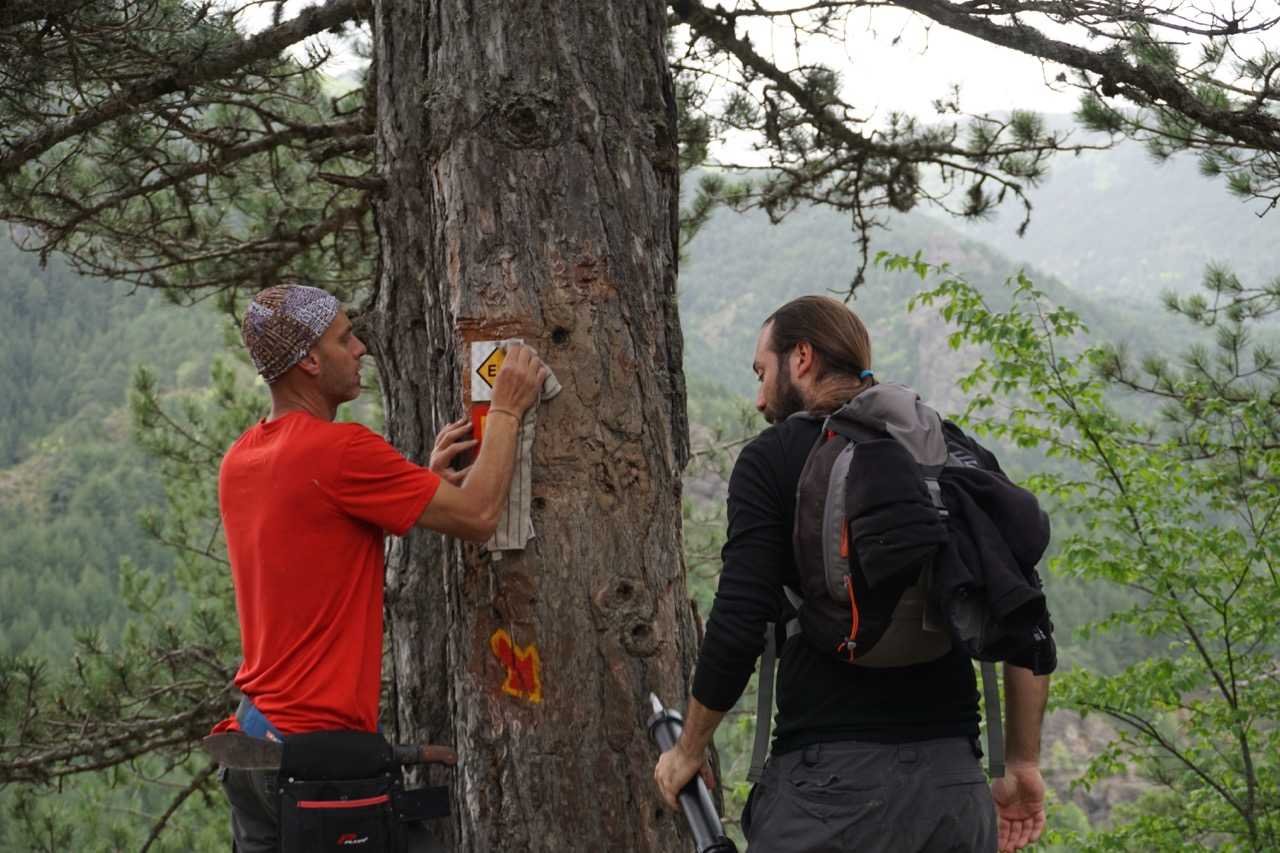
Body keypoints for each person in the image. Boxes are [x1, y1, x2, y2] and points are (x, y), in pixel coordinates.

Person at [654, 295, 1051, 853]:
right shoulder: (952, 450)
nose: (761, 398)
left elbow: (739, 618)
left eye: (762, 373)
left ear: (802, 358)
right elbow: (1025, 614)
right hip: (953, 787)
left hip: (828, 793)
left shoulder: (773, 458)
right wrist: (1023, 763)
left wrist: (690, 750)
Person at [214, 283, 547, 852]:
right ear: (310, 361)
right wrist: (509, 409)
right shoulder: (341, 452)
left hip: (251, 741)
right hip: (316, 755)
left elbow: (324, 528)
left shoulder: (242, 457)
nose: (362, 347)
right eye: (346, 338)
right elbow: (480, 515)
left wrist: (420, 485)